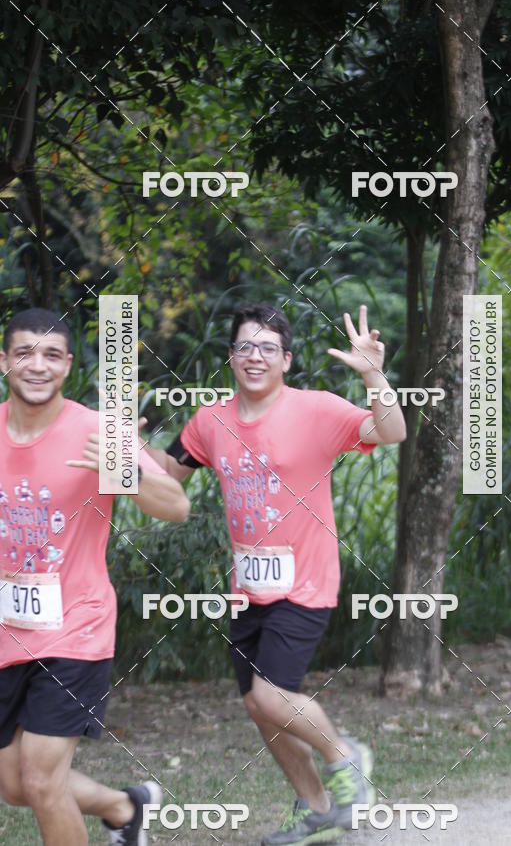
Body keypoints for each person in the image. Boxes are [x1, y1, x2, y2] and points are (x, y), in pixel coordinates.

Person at [146, 302, 406, 845]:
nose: (255, 356)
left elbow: (393, 430)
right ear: (231, 358)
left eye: (268, 347)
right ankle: (315, 808)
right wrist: (127, 446)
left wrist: (373, 374)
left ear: (286, 360)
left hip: (306, 581)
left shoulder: (316, 410)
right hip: (248, 589)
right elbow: (167, 474)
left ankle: (345, 756)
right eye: (245, 346)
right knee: (259, 707)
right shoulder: (210, 422)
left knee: (270, 697)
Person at [0, 308, 190, 846]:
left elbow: (175, 505)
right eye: (24, 353)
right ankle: (124, 807)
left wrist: (123, 469)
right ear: (4, 361)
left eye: (52, 355)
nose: (37, 366)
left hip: (76, 629)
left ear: (66, 365)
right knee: (13, 783)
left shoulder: (96, 430)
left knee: (39, 778)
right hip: (8, 632)